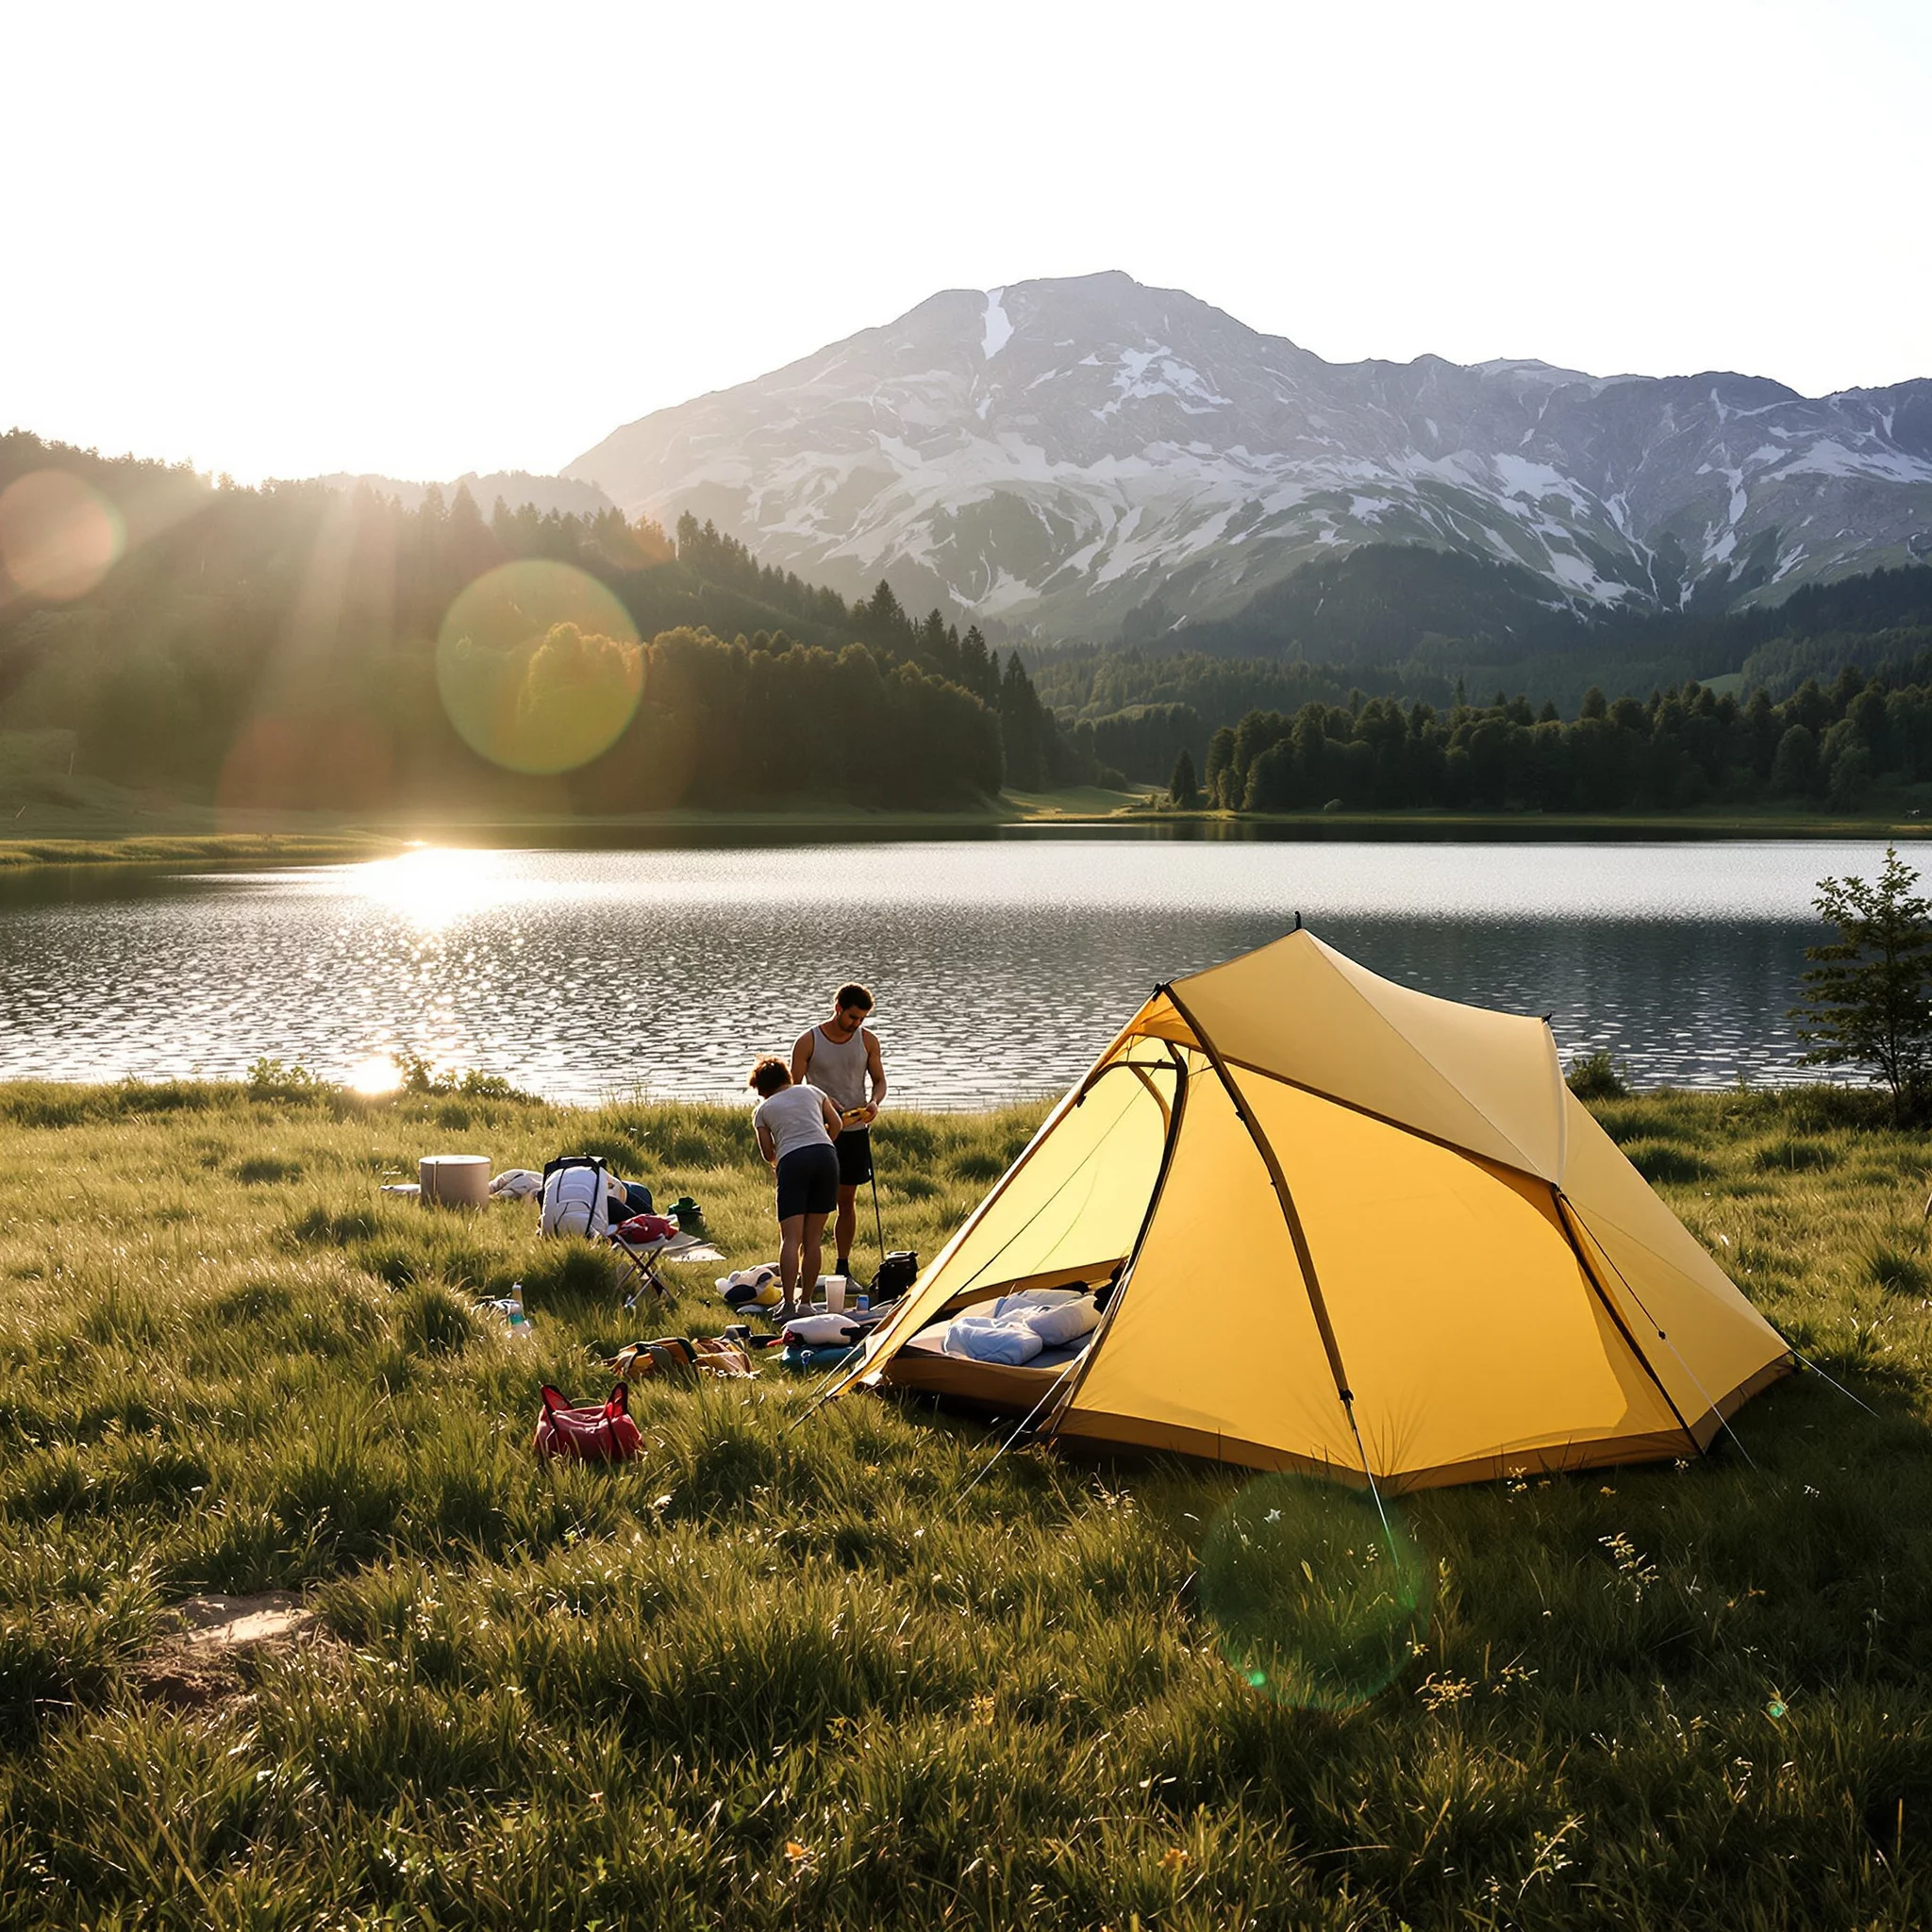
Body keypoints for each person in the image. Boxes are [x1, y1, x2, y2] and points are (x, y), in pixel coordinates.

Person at [792, 982, 887, 1282]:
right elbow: (793, 1086)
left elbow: (880, 1081)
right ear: (838, 1008)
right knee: (815, 1204)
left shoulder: (868, 1041)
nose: (856, 1024)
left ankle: (843, 1268)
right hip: (817, 1132)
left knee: (847, 1201)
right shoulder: (808, 1041)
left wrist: (874, 1102)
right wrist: (821, 1099)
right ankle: (807, 1270)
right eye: (852, 1017)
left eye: (861, 1019)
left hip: (855, 1131)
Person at [748, 1057, 844, 1320]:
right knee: (813, 1239)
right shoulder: (813, 1091)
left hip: (793, 1161)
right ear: (787, 1077)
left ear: (761, 1088)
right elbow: (836, 1125)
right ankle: (807, 1303)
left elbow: (768, 1152)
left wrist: (783, 1158)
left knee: (791, 1239)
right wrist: (821, 1143)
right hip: (827, 1157)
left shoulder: (763, 1109)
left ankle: (789, 1304)